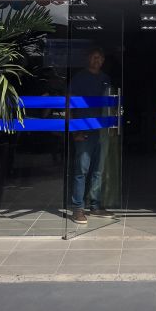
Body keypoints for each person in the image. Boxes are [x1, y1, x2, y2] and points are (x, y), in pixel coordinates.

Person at [68, 47, 114, 224]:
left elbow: (110, 103)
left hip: (101, 130)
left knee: (98, 170)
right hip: (83, 130)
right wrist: (74, 131)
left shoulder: (105, 78)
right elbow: (69, 103)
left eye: (100, 57)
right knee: (82, 169)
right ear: (88, 58)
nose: (97, 60)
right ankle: (78, 209)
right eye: (95, 57)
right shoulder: (79, 78)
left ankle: (95, 206)